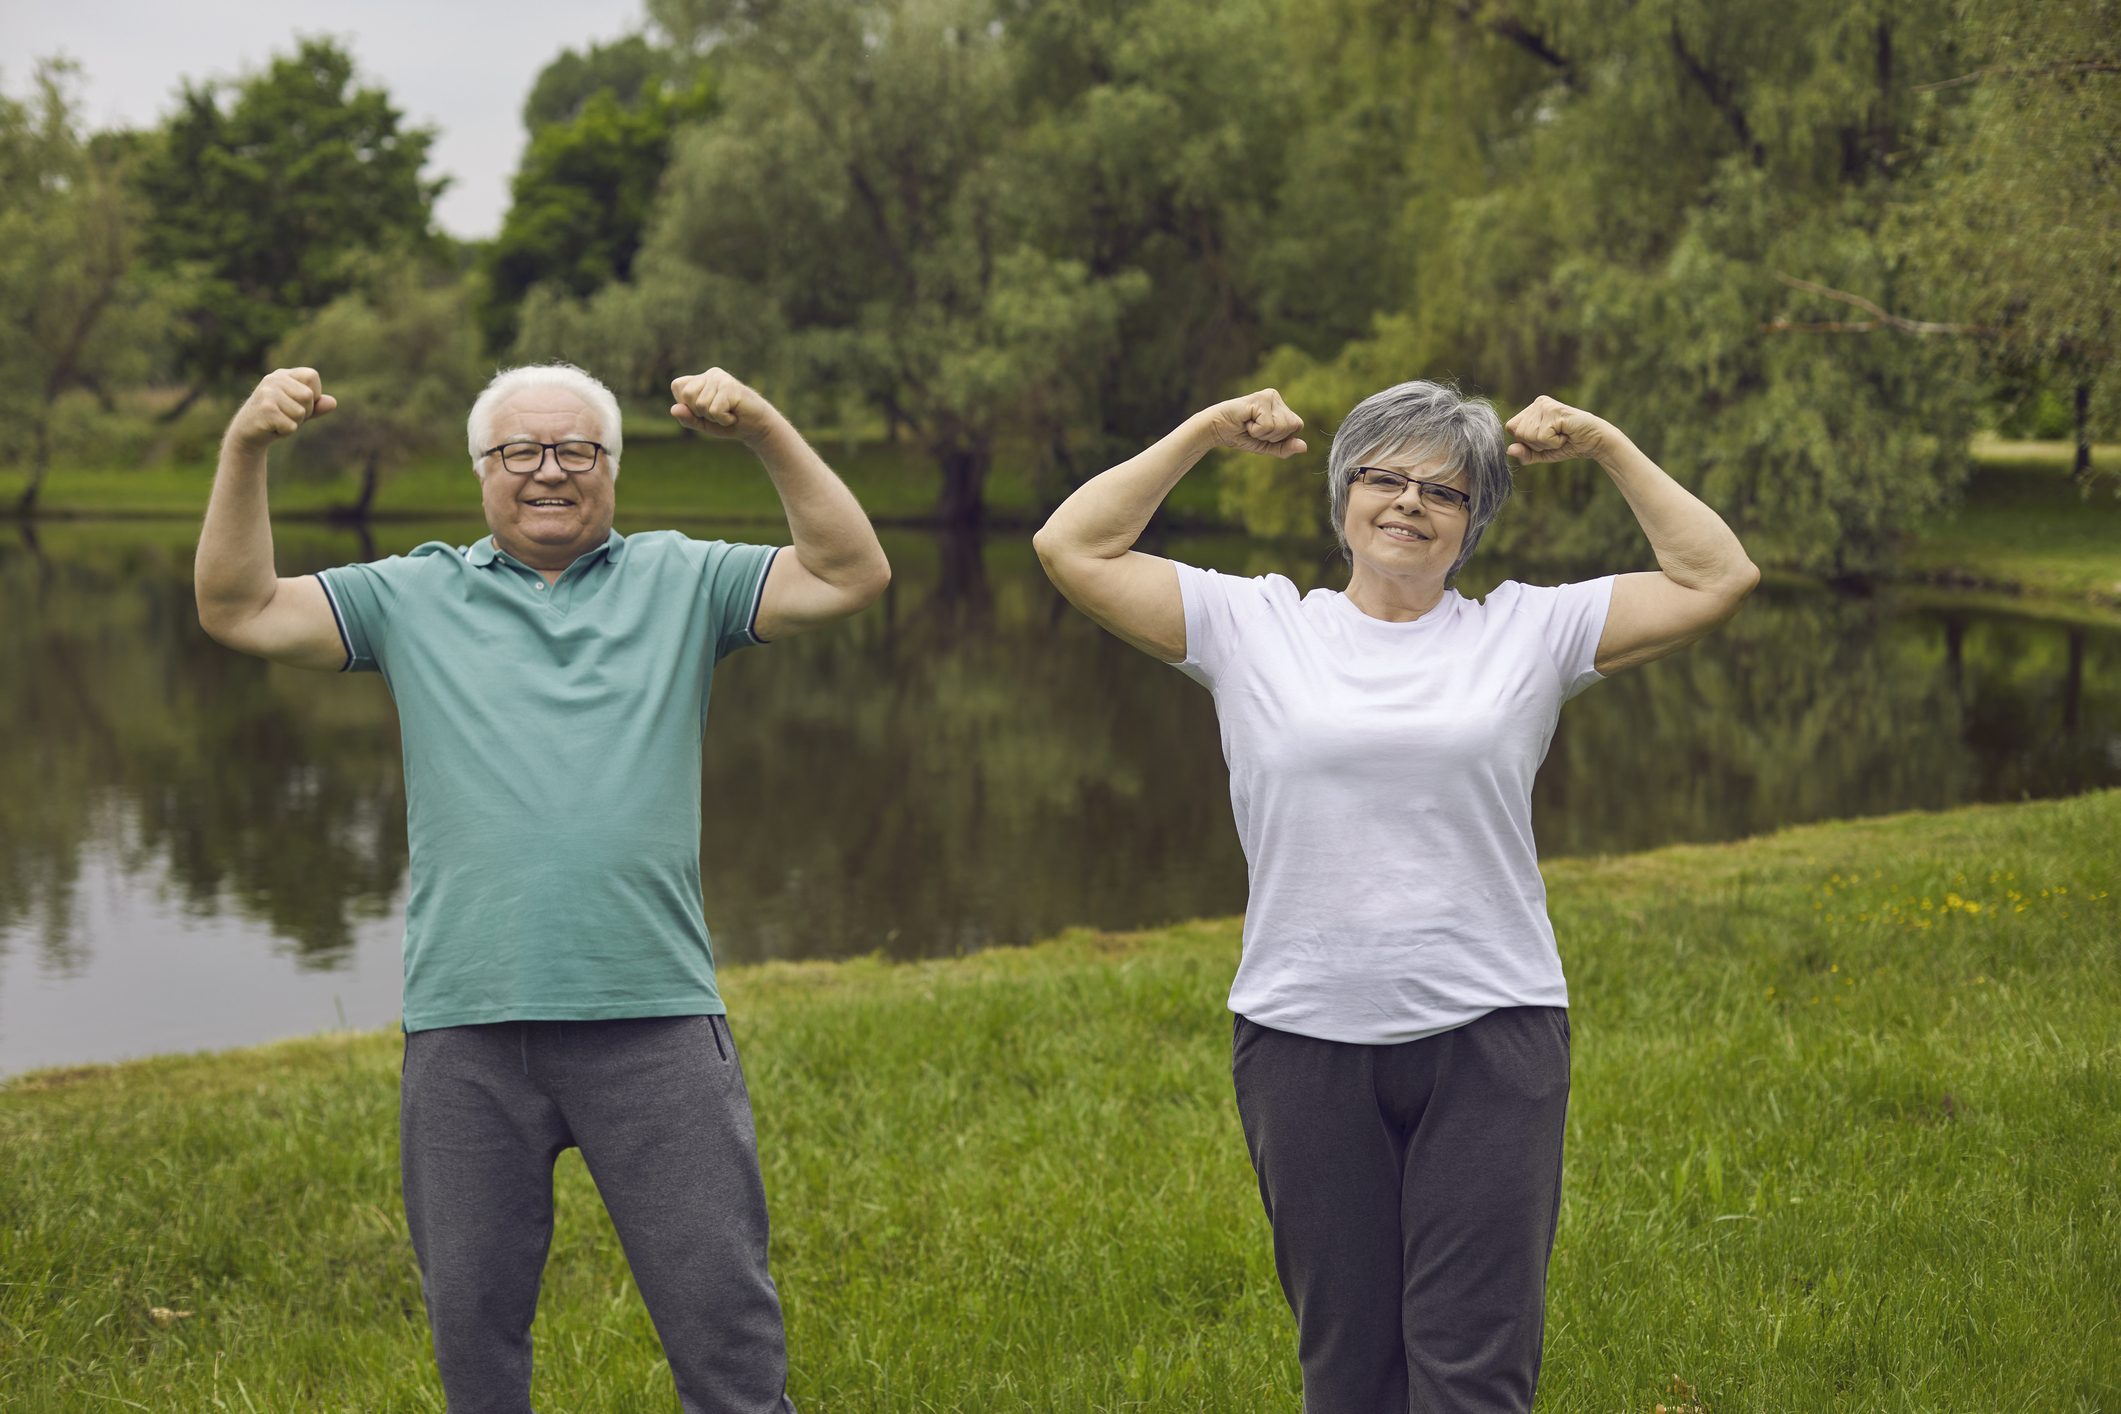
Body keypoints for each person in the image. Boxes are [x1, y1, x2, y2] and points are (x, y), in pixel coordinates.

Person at [1032, 380, 1758, 1412]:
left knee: (1475, 1372)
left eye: (1445, 491)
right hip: (1301, 1034)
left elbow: (1718, 574)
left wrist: (1604, 442)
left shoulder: (1529, 633)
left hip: (1492, 1035)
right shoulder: (1254, 625)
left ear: (1472, 525)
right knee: (1349, 1370)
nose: (1410, 503)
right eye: (1384, 476)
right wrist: (1202, 431)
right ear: (1343, 499)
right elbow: (1074, 547)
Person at [194, 361, 891, 1414]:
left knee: (726, 1335)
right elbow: (236, 606)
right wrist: (245, 444)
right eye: (521, 451)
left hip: (653, 1015)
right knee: (475, 1343)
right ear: (484, 470)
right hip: (468, 1026)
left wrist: (760, 426)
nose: (549, 472)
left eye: (577, 450)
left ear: (612, 467)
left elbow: (850, 572)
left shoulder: (683, 581)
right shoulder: (410, 594)